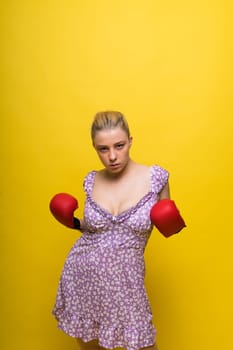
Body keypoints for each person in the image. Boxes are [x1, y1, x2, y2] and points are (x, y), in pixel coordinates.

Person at [51, 111, 172, 350]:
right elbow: (95, 228)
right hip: (82, 277)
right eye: (103, 149)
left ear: (130, 140)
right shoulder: (91, 180)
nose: (112, 156)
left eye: (119, 145)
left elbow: (164, 226)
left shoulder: (156, 178)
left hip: (126, 281)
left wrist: (172, 222)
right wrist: (74, 223)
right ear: (94, 147)